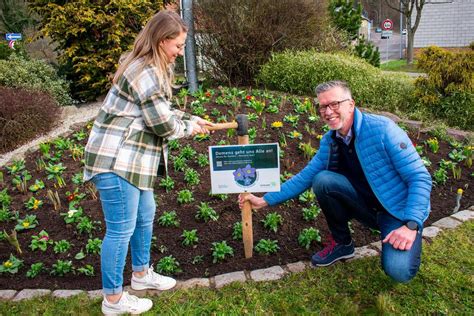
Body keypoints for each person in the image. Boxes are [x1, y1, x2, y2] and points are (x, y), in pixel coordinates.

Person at [84, 10, 213, 315]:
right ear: (161, 40)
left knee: (145, 214)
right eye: (178, 46)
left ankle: (141, 275)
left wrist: (191, 118)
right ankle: (113, 300)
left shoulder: (148, 68)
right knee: (120, 231)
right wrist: (187, 128)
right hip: (116, 161)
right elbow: (163, 126)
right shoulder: (145, 72)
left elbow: (161, 110)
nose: (180, 53)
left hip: (134, 161)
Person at [239, 80, 432, 283]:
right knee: (323, 180)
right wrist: (265, 200)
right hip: (366, 207)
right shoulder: (330, 141)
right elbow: (306, 176)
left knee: (398, 271)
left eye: (334, 104)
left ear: (351, 104)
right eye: (323, 106)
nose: (328, 111)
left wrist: (411, 224)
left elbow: (419, 177)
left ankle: (402, 235)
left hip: (397, 212)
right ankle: (343, 244)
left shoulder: (383, 130)